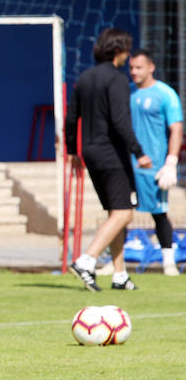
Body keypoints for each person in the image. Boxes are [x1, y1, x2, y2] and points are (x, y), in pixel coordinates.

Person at [66, 28, 152, 291]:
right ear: (118, 51)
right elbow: (119, 120)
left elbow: (71, 119)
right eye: (126, 50)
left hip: (90, 153)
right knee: (125, 213)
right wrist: (139, 151)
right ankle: (86, 260)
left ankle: (119, 274)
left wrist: (72, 151)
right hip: (111, 153)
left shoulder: (85, 78)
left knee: (115, 211)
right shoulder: (116, 79)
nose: (127, 57)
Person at [129, 49, 183, 276]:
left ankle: (168, 261)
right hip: (129, 165)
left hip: (155, 167)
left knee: (159, 213)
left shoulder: (165, 94)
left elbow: (176, 128)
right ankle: (115, 262)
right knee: (120, 213)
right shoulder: (129, 95)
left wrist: (171, 162)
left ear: (151, 67)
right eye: (131, 68)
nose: (134, 72)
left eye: (138, 67)